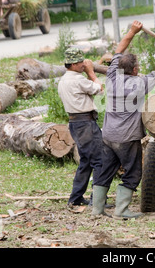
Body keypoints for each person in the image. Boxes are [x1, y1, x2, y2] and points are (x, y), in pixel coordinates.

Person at [91, 20, 155, 219]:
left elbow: (119, 49)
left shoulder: (111, 75)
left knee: (105, 170)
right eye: (137, 66)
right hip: (127, 138)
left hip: (109, 135)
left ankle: (97, 210)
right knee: (133, 172)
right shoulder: (139, 83)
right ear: (135, 70)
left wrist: (132, 32)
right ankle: (121, 210)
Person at [57, 47, 104, 208]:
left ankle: (76, 197)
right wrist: (91, 72)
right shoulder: (78, 79)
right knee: (99, 160)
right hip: (86, 124)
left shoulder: (64, 80)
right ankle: (97, 200)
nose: (83, 65)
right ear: (73, 64)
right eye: (81, 63)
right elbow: (99, 88)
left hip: (75, 123)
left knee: (86, 161)